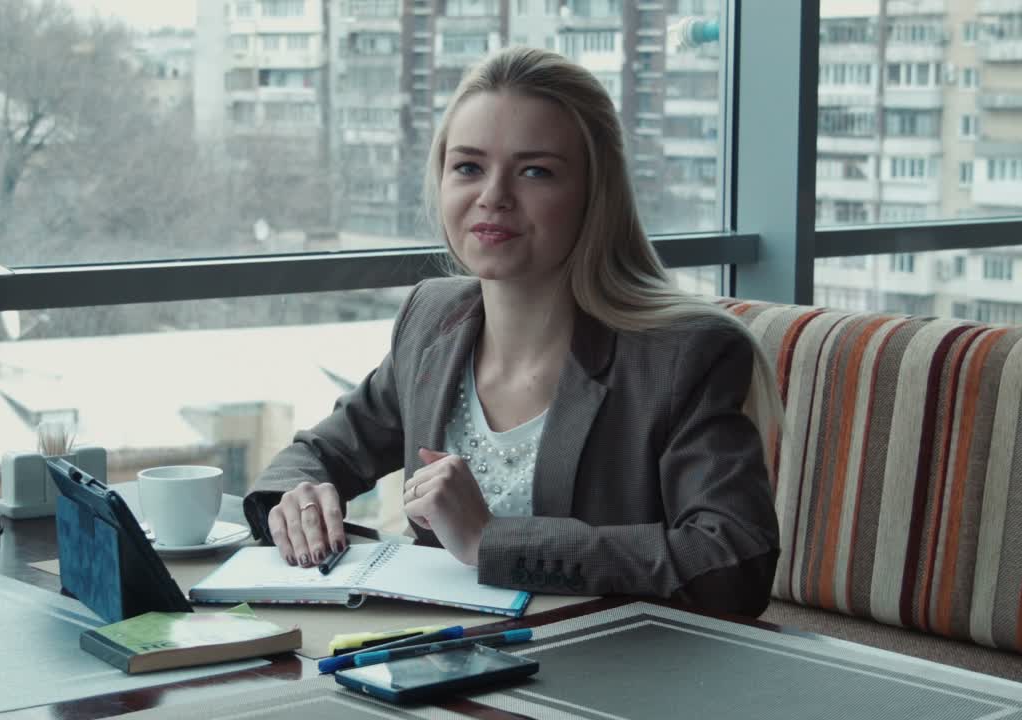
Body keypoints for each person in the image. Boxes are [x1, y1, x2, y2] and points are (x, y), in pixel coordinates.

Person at [243, 46, 781, 616]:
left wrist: (488, 540)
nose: (492, 196)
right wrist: (295, 500)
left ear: (594, 195)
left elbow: (735, 564)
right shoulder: (432, 317)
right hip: (441, 666)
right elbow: (323, 451)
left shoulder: (685, 355)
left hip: (611, 675)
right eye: (468, 167)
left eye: (535, 171)